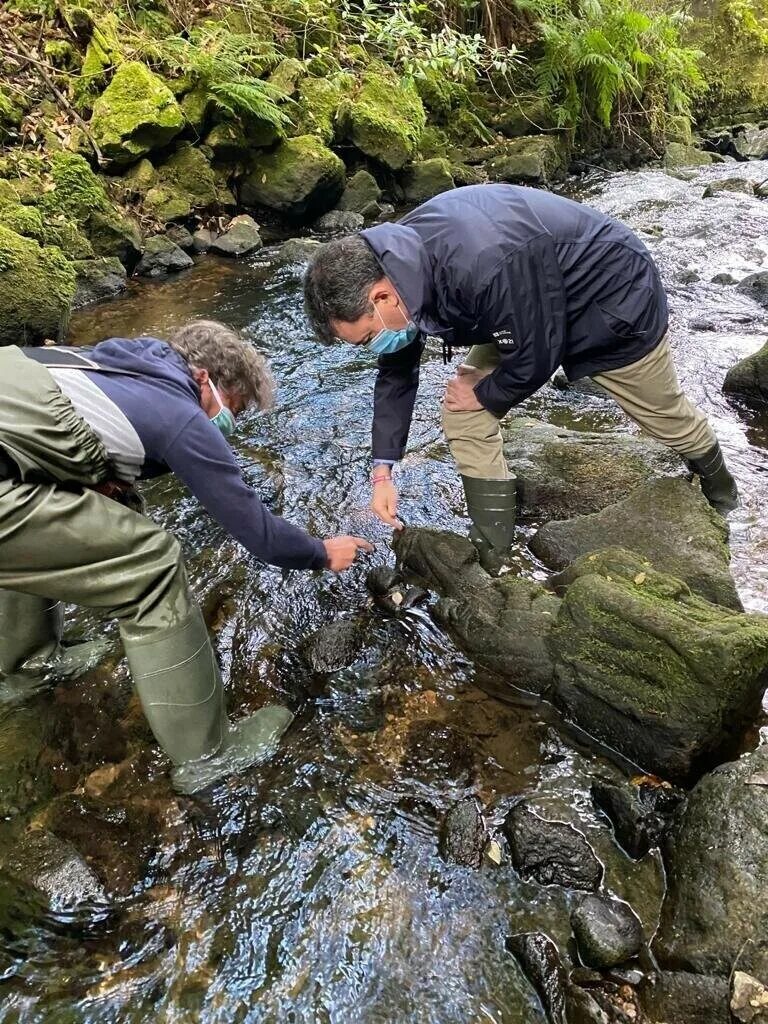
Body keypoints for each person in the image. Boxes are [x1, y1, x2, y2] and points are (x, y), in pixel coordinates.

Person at [0, 321, 372, 793]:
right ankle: (206, 756)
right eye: (231, 407)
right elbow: (257, 532)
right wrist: (321, 552)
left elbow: (38, 446)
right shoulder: (180, 416)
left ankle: (30, 668)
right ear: (202, 378)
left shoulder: (119, 360)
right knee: (151, 565)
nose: (226, 423)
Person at [304, 183, 739, 565]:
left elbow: (536, 355)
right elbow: (397, 372)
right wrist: (383, 471)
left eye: (365, 339)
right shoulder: (399, 269)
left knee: (663, 414)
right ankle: (492, 552)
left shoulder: (482, 262)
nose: (371, 347)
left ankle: (722, 492)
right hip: (520, 303)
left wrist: (487, 392)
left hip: (610, 296)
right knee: (463, 409)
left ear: (381, 297)